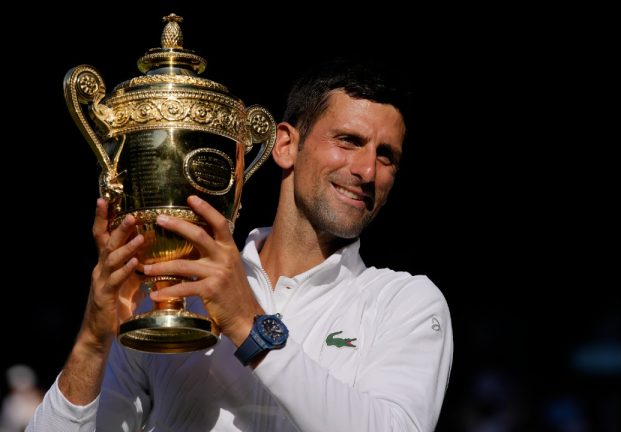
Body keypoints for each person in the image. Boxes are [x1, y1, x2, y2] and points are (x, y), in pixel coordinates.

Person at [29, 59, 453, 431]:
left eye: (386, 156)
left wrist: (248, 324)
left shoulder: (406, 303)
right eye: (348, 141)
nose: (366, 170)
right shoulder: (171, 293)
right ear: (286, 145)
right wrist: (92, 338)